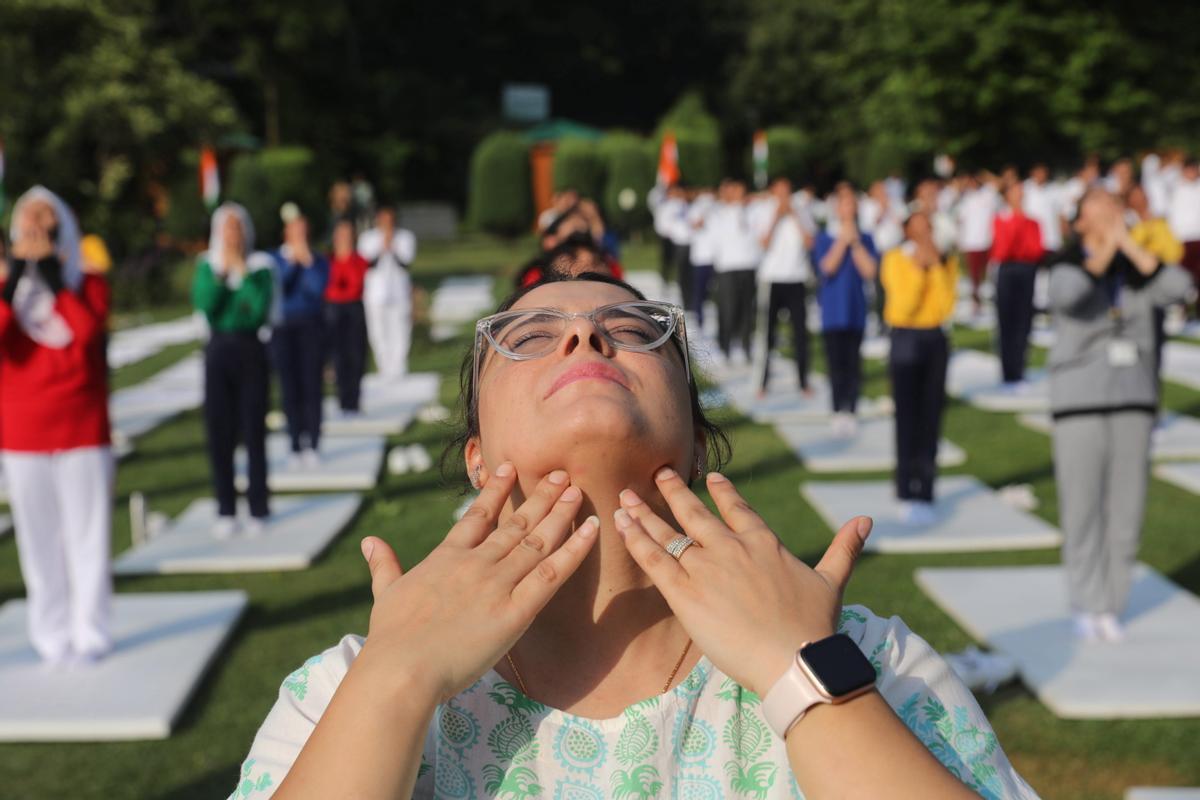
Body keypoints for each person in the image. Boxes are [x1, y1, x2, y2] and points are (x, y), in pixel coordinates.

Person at [228, 271, 1037, 800]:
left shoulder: (864, 663)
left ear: (692, 439)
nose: (584, 337)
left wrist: (803, 677)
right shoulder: (344, 688)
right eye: (532, 335)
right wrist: (397, 680)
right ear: (477, 458)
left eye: (632, 326)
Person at [1047, 188, 1192, 642]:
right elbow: (1069, 296)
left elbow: (1181, 288)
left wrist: (1129, 245)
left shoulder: (1138, 269)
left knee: (1126, 508)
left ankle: (1111, 602)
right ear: (1079, 221)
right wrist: (1106, 247)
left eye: (1115, 205)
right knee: (1083, 507)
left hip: (1133, 399)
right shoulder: (1069, 265)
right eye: (1099, 207)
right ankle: (1084, 600)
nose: (1111, 212)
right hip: (1079, 404)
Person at [0, 186, 114, 664]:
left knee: (87, 536)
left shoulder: (85, 278)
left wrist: (53, 276)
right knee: (37, 538)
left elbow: (87, 336)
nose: (37, 225)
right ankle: (51, 636)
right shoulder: (4, 282)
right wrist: (10, 284)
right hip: (22, 432)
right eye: (29, 217)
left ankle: (90, 632)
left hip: (82, 426)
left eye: (47, 216)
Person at [193, 202, 274, 537]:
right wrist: (224, 276)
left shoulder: (260, 266)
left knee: (253, 428)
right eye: (226, 229)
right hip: (218, 350)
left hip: (250, 349)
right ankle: (226, 507)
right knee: (219, 431)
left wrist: (240, 275)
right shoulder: (206, 266)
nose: (232, 236)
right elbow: (206, 305)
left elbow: (256, 310)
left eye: (237, 228)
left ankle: (258, 506)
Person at [882, 212, 958, 526]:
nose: (925, 232)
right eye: (918, 226)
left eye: (929, 227)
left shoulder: (944, 260)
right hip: (905, 338)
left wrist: (935, 267)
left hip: (935, 338)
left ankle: (926, 489)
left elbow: (945, 305)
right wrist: (919, 269)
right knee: (906, 417)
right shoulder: (895, 259)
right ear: (907, 229)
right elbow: (902, 307)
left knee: (931, 415)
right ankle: (904, 489)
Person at [813, 183, 878, 436]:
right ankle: (837, 408)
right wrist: (843, 240)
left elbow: (870, 271)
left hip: (856, 311)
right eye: (844, 204)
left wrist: (856, 243)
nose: (849, 208)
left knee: (854, 364)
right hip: (832, 314)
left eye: (852, 203)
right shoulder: (825, 237)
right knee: (835, 364)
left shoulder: (866, 238)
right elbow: (827, 267)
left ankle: (851, 407)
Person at [272, 204, 329, 465]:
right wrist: (293, 264)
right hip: (284, 328)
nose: (300, 235)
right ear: (286, 232)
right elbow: (279, 287)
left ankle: (313, 442)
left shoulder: (316, 260)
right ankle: (295, 442)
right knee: (289, 386)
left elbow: (318, 289)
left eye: (303, 231)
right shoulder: (275, 259)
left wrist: (305, 260)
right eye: (295, 231)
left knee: (312, 386)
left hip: (311, 327)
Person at [754, 177, 814, 397]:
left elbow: (810, 242)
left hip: (797, 278)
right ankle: (762, 382)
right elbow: (763, 243)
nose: (784, 195)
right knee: (767, 334)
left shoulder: (802, 210)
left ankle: (803, 382)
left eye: (787, 190)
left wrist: (795, 216)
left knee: (800, 334)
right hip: (772, 279)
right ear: (773, 191)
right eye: (780, 190)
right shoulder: (764, 210)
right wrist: (777, 217)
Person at [990, 180, 1045, 389]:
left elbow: (1035, 249)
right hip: (1007, 270)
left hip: (1026, 269)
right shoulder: (1001, 220)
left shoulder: (1033, 222)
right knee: (1006, 320)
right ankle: (1007, 370)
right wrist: (1016, 222)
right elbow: (1002, 249)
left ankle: (1020, 368)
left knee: (1024, 319)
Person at [358, 205, 416, 381]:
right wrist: (382, 246)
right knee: (378, 330)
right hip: (375, 294)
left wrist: (392, 246)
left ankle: (399, 366)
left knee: (401, 328)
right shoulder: (367, 239)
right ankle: (384, 366)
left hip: (399, 291)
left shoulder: (405, 237)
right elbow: (367, 264)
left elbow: (405, 263)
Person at [711, 179, 762, 365]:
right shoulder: (718, 213)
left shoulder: (752, 210)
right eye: (733, 191)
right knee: (728, 309)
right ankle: (725, 346)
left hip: (748, 266)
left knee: (747, 309)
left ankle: (746, 346)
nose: (737, 195)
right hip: (727, 267)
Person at [324, 218, 370, 415]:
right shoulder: (327, 260)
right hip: (333, 309)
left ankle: (354, 398)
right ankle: (342, 398)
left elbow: (356, 283)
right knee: (338, 354)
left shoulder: (359, 260)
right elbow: (329, 286)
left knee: (356, 354)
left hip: (353, 307)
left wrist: (348, 257)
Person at [956, 173, 999, 312]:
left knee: (990, 272)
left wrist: (984, 176)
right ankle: (976, 301)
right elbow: (960, 220)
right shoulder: (965, 199)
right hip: (971, 242)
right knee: (974, 274)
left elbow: (998, 184)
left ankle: (991, 299)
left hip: (988, 240)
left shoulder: (988, 194)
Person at [1166, 158, 1200, 310]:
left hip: (1198, 237)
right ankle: (1179, 309)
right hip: (1181, 238)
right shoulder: (1175, 186)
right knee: (1182, 277)